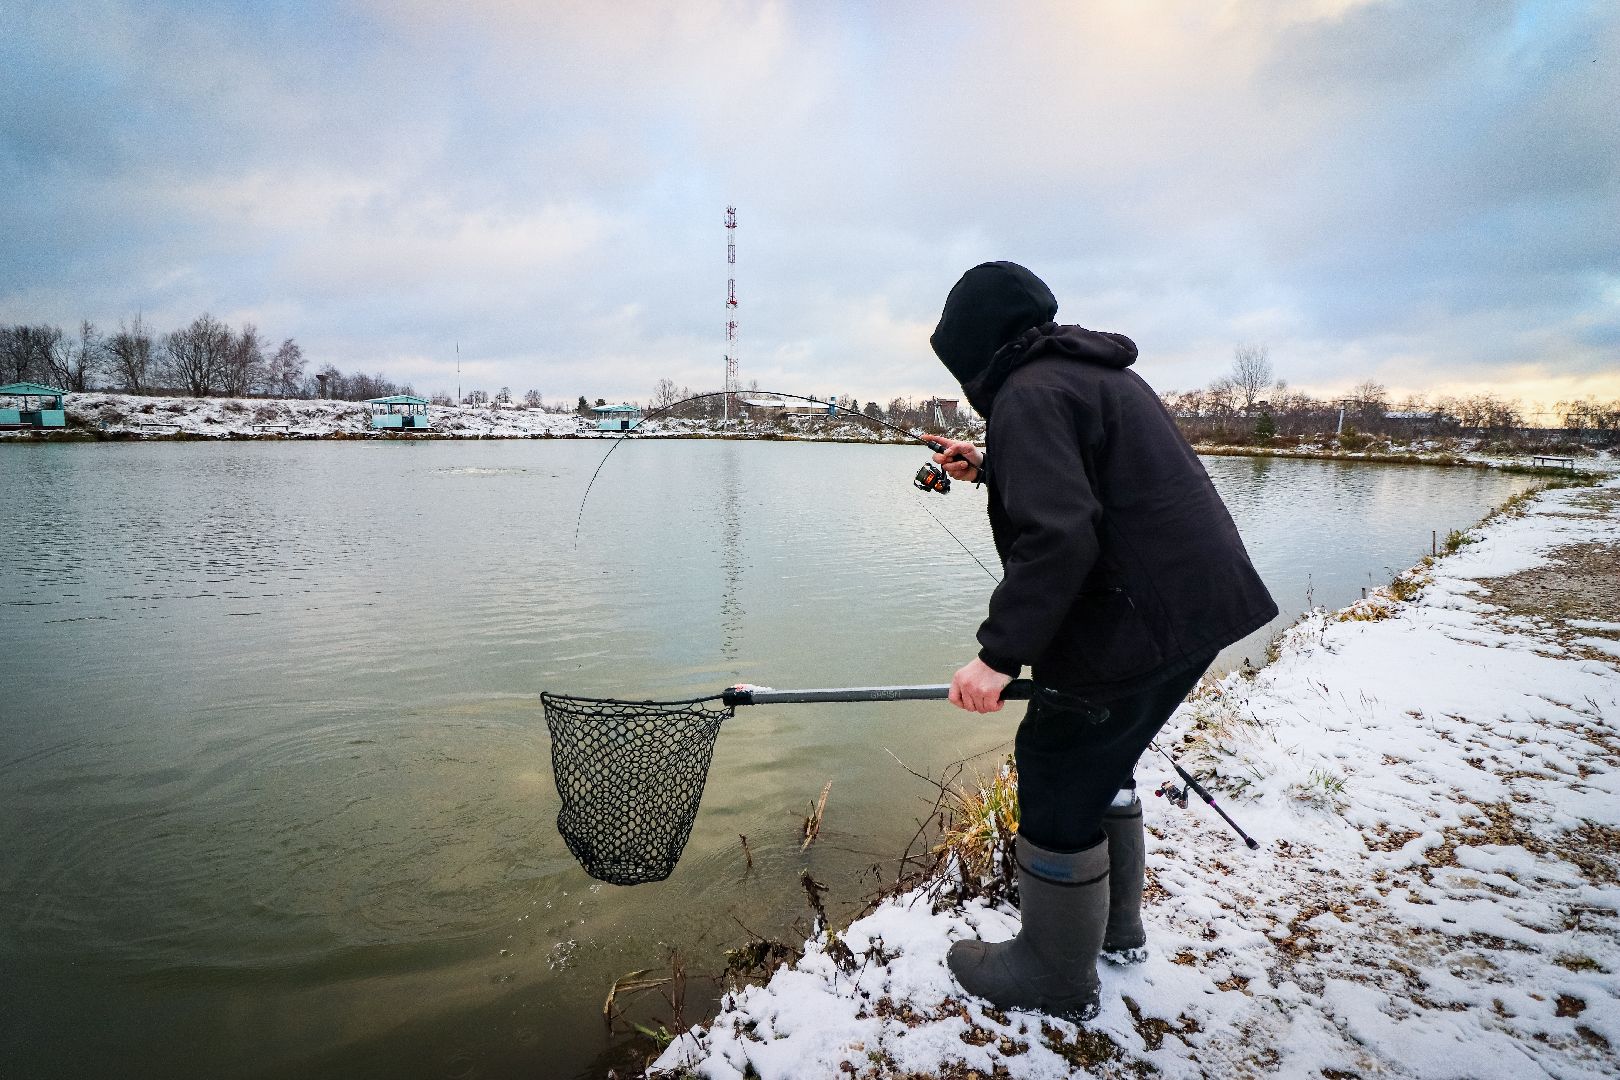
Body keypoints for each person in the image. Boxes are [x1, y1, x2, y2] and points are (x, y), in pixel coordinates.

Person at [927, 261, 1278, 1022]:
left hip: (1139, 619)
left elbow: (1060, 535)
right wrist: (993, 468)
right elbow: (1088, 486)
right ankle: (1116, 932)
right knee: (1102, 757)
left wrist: (996, 656)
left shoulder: (1025, 394)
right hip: (1191, 609)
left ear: (971, 349)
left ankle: (1054, 977)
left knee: (1055, 766)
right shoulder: (1087, 374)